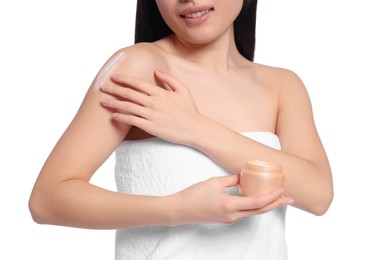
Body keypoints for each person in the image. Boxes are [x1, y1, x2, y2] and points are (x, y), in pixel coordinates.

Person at [29, 0, 333, 259]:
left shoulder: (282, 86)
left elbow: (318, 195)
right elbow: (48, 200)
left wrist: (195, 127)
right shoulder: (136, 67)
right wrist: (177, 209)